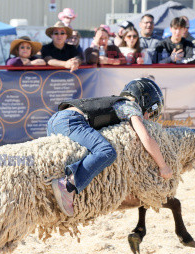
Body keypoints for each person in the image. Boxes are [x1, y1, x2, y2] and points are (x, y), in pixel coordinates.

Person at [47, 78, 173, 216]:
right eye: (151, 112)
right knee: (106, 151)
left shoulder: (117, 103)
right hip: (71, 121)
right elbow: (145, 137)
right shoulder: (131, 106)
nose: (149, 117)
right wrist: (163, 166)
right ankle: (68, 184)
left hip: (55, 120)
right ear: (143, 102)